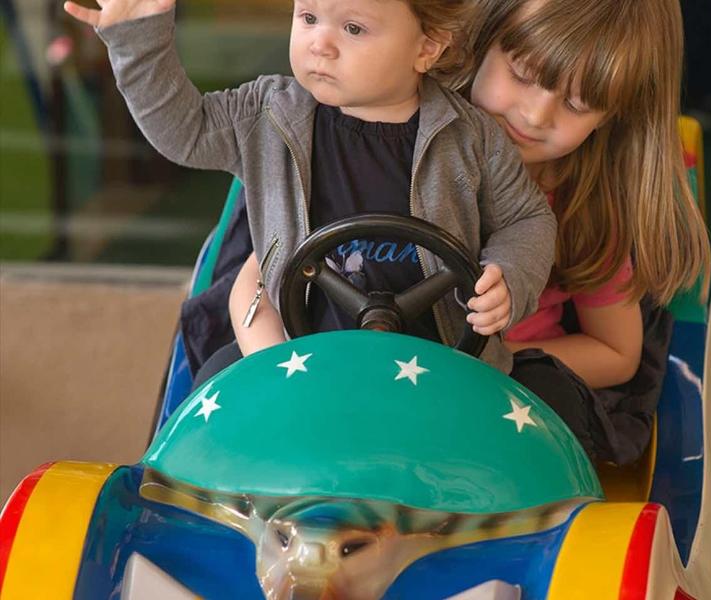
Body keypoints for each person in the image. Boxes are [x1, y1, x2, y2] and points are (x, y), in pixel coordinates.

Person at [63, 0, 556, 377]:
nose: (320, 43)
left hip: (442, 370)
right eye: (309, 17)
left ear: (427, 47)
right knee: (215, 388)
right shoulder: (266, 114)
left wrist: (511, 276)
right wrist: (139, 40)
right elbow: (184, 132)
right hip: (299, 361)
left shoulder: (471, 137)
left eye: (353, 28)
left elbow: (527, 219)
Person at [461, 0, 711, 464]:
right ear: (482, 38)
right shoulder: (394, 148)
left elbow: (616, 352)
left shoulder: (585, 207)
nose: (536, 116)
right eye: (521, 74)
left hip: (507, 415)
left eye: (577, 105)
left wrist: (494, 358)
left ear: (611, 116)